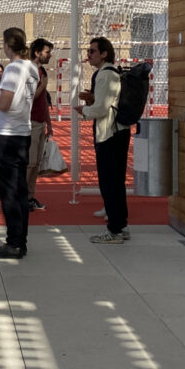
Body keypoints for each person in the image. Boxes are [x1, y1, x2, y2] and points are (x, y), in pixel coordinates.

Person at [0, 27, 37, 259]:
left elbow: (4, 103)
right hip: (22, 133)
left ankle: (14, 242)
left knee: (10, 192)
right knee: (20, 191)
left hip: (7, 135)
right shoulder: (32, 68)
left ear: (7, 44)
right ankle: (19, 239)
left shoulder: (13, 69)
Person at [75, 37, 130, 244]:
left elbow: (101, 109)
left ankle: (114, 229)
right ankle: (121, 225)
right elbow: (105, 102)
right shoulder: (111, 73)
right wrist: (91, 100)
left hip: (110, 134)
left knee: (109, 182)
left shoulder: (105, 75)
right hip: (117, 131)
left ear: (104, 53)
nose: (88, 55)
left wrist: (84, 110)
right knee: (116, 182)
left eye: (92, 51)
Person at [27, 39, 54, 211]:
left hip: (40, 122)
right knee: (29, 162)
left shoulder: (42, 71)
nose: (49, 55)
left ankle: (30, 196)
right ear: (37, 52)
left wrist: (49, 123)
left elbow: (43, 99)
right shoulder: (29, 71)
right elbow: (28, 98)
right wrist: (42, 85)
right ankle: (22, 196)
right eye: (47, 52)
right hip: (29, 123)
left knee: (36, 163)